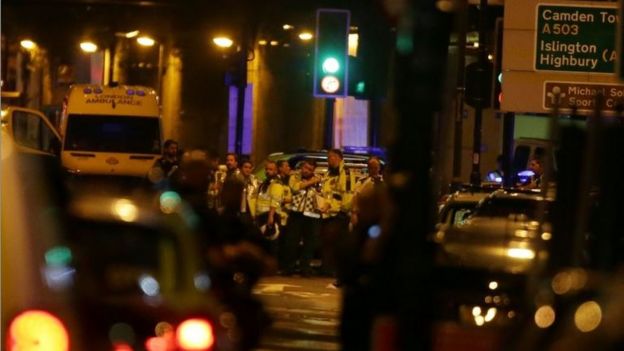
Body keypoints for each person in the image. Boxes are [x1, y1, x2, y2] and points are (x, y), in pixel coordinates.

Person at [319, 148, 357, 285]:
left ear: (339, 157)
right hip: (328, 214)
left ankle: (340, 273)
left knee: (339, 244)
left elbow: (347, 194)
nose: (329, 159)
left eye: (331, 157)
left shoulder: (345, 173)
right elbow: (329, 194)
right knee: (330, 243)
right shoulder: (329, 173)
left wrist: (343, 211)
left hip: (338, 214)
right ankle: (330, 270)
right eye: (328, 157)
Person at [281, 159, 323, 276]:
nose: (306, 171)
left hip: (312, 215)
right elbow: (295, 188)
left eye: (309, 169)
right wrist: (311, 182)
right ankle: (289, 267)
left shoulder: (319, 179)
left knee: (309, 243)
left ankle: (305, 268)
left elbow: (323, 194)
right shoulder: (295, 177)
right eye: (305, 168)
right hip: (296, 214)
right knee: (292, 242)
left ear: (313, 170)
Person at [254, 160, 284, 248]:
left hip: (270, 215)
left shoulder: (277, 183)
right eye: (266, 169)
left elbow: (275, 200)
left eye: (271, 169)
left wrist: (271, 216)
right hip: (261, 216)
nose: (268, 171)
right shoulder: (265, 182)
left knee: (271, 245)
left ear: (276, 171)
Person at [351, 156, 384, 226]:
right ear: (368, 168)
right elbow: (355, 198)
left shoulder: (384, 181)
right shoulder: (361, 181)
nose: (374, 170)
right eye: (371, 168)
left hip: (380, 216)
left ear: (379, 168)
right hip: (364, 216)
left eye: (376, 167)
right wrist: (354, 214)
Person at [239, 159, 259, 223]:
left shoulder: (255, 180)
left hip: (250, 212)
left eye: (250, 168)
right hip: (238, 211)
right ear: (241, 168)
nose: (248, 169)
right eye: (245, 167)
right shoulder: (236, 179)